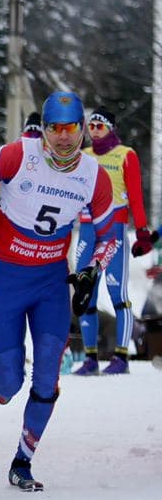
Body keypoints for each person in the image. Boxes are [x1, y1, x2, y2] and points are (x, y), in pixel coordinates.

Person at [0, 91, 119, 491]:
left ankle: (23, 461)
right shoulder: (17, 155)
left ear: (83, 130)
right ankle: (3, 386)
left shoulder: (93, 174)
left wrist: (92, 271)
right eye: (54, 129)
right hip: (8, 277)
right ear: (43, 130)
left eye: (71, 129)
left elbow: (110, 232)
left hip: (50, 280)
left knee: (48, 370)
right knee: (7, 387)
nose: (63, 138)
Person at [72, 107, 145, 375]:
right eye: (90, 126)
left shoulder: (126, 154)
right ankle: (91, 358)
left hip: (114, 228)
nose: (93, 131)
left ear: (111, 128)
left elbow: (136, 196)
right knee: (85, 291)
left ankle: (121, 357)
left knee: (117, 293)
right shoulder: (83, 157)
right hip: (88, 229)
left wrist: (143, 232)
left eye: (99, 126)